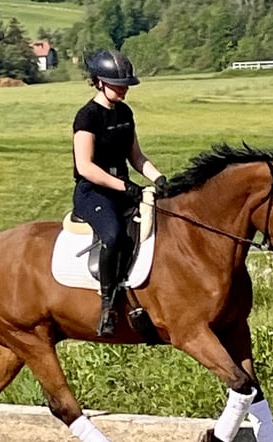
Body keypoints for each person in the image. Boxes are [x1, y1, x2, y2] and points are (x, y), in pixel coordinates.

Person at [72, 49, 167, 338]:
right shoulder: (87, 117)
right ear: (99, 82)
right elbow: (85, 166)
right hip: (93, 193)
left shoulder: (125, 113)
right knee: (113, 235)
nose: (124, 88)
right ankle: (107, 307)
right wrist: (125, 187)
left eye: (126, 83)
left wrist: (159, 177)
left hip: (123, 190)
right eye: (118, 83)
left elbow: (136, 157)